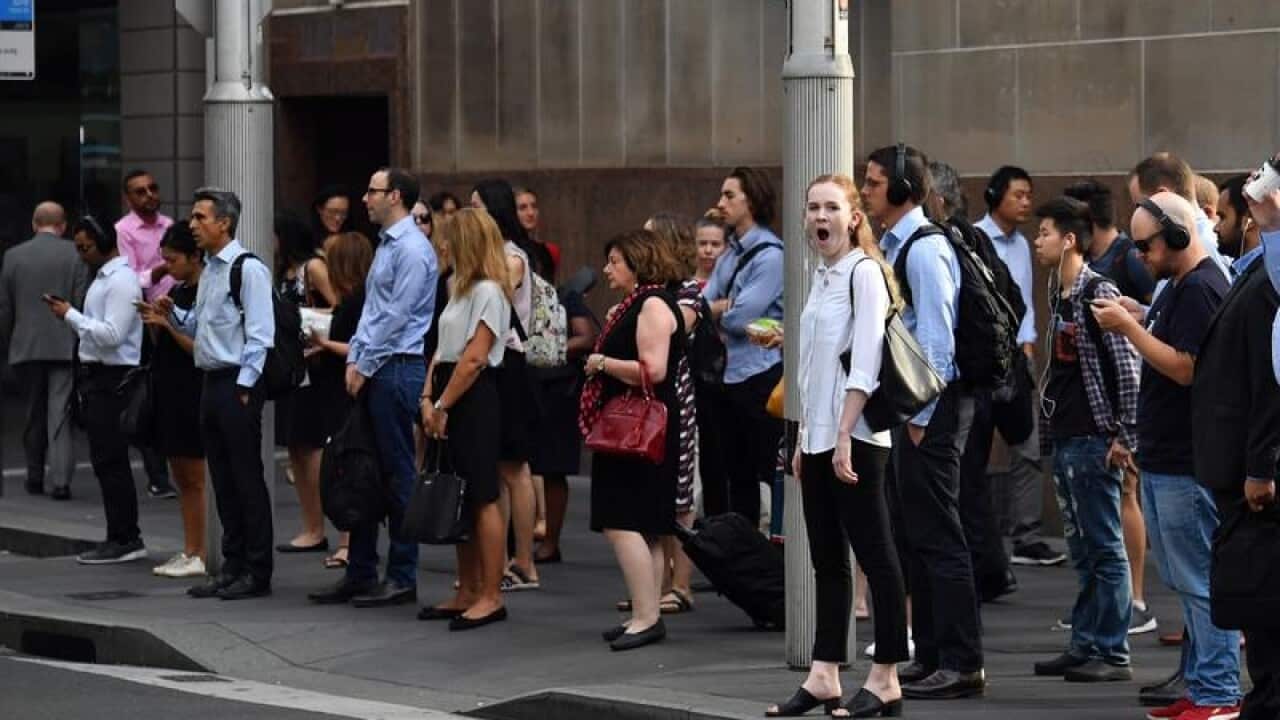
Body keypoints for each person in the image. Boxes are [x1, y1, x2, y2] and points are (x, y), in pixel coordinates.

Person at [1092, 192, 1241, 719]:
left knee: (1199, 580)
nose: (1141, 256)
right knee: (1185, 579)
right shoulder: (1179, 286)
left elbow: (1187, 367)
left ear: (1177, 236)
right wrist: (1140, 314)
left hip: (1186, 461)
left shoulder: (1200, 286)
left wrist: (1129, 328)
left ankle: (1219, 692)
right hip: (1166, 457)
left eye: (1146, 245)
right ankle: (1204, 686)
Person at [766, 174, 909, 719]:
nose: (819, 217)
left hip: (860, 438)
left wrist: (845, 434)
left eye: (831, 207)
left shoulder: (865, 274)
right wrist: (807, 438)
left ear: (853, 217)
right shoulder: (821, 275)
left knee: (876, 555)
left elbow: (866, 364)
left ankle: (886, 677)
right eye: (812, 208)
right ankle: (824, 674)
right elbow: (812, 369)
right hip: (820, 437)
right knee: (826, 559)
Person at [861, 144, 983, 699]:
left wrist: (920, 416)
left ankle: (962, 661)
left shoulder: (925, 249)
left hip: (930, 409)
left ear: (904, 190)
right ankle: (931, 652)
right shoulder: (901, 243)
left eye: (874, 182)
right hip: (917, 410)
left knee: (940, 536)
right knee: (917, 535)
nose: (865, 191)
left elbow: (937, 337)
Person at [309, 168, 436, 608]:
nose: (365, 198)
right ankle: (361, 570)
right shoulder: (389, 244)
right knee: (362, 468)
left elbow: (398, 316)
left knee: (397, 474)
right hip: (377, 365)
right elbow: (373, 312)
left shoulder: (414, 251)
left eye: (373, 191)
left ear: (395, 196)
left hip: (396, 369)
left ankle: (402, 575)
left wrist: (365, 361)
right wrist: (358, 357)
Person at [1029, 196, 1140, 683]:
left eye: (1046, 232)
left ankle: (1112, 652)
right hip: (1069, 436)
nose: (1038, 241)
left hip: (1096, 437)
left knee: (1104, 546)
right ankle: (1087, 642)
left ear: (1070, 239)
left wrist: (1124, 435)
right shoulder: (1061, 292)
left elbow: (1128, 368)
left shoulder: (1099, 292)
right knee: (1082, 548)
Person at [1192, 178, 1280, 720]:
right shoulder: (1256, 270)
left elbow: (1272, 383)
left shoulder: (1271, 281)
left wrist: (1261, 466)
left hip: (1253, 470)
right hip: (1235, 463)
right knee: (1254, 593)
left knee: (1263, 592)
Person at [165, 186, 276, 601]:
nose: (193, 225)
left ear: (224, 223)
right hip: (210, 380)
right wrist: (174, 316)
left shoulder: (246, 269)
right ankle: (233, 564)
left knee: (247, 477)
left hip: (236, 382)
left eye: (200, 217)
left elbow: (260, 335)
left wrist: (246, 387)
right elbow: (203, 326)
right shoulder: (211, 268)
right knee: (224, 480)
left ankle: (257, 569)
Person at [580, 228, 686, 651]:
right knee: (646, 526)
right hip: (638, 428)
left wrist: (602, 362)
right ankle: (647, 613)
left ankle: (646, 617)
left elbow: (652, 370)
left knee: (623, 521)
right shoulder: (640, 303)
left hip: (639, 428)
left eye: (615, 262)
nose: (607, 269)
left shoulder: (653, 305)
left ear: (637, 264)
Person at [1064, 177, 1160, 638]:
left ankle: (1134, 601)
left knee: (1123, 500)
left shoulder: (1126, 260)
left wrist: (1128, 426)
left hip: (1127, 406)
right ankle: (1108, 611)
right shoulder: (1094, 264)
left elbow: (1143, 338)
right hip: (1106, 407)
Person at [418, 208, 513, 631]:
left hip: (472, 396)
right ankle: (467, 588)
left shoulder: (489, 291)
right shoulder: (457, 287)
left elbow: (475, 358)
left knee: (481, 494)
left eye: (449, 238)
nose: (442, 245)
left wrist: (441, 405)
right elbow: (441, 349)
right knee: (458, 492)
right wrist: (427, 397)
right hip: (448, 390)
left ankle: (491, 594)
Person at [969, 165, 1064, 581]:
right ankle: (981, 539)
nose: (1026, 202)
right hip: (981, 361)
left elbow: (1023, 299)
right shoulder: (972, 239)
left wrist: (1027, 346)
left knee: (1026, 447)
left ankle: (1026, 533)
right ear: (994, 196)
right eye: (1018, 195)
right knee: (973, 450)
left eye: (1029, 194)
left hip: (1018, 360)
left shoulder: (1025, 245)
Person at [45, 216, 145, 564]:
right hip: (98, 376)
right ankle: (118, 534)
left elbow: (113, 334)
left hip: (112, 377)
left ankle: (125, 536)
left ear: (104, 242)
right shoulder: (104, 278)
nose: (82, 255)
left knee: (111, 459)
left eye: (86, 247)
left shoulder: (120, 281)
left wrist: (70, 314)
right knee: (105, 460)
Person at [700, 167, 784, 528]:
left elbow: (738, 318)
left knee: (763, 470)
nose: (720, 203)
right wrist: (719, 308)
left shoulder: (771, 256)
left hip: (759, 374)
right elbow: (702, 303)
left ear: (751, 200)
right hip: (728, 374)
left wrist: (718, 309)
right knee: (737, 475)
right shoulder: (730, 253)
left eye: (729, 195)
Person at [471, 179, 541, 592]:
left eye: (478, 205)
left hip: (510, 363)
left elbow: (494, 302)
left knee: (514, 467)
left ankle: (525, 561)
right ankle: (499, 557)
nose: (471, 213)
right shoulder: (487, 255)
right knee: (496, 465)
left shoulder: (511, 258)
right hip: (492, 362)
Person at [0, 201, 86, 500]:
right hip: (63, 344)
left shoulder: (13, 257)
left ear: (34, 224)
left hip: (26, 346)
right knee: (59, 414)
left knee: (32, 412)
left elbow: (5, 307)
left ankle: (34, 475)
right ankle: (61, 481)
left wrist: (8, 340)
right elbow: (79, 301)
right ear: (63, 226)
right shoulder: (75, 254)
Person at [138, 223, 208, 578]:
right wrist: (156, 319)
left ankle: (200, 550)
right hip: (170, 388)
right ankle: (191, 547)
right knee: (181, 474)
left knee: (195, 476)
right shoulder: (179, 290)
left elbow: (203, 349)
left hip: (193, 389)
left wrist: (168, 326)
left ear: (195, 257)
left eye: (174, 259)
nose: (169, 266)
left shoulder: (207, 291)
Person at [642, 212, 699, 614]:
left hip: (678, 399)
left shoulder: (687, 293)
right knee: (654, 492)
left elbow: (675, 329)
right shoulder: (651, 294)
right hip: (651, 401)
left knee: (680, 494)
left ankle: (681, 584)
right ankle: (654, 584)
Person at [305, 231, 373, 571]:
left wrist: (324, 344)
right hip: (339, 383)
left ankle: (349, 543)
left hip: (345, 387)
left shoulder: (357, 301)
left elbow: (361, 346)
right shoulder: (359, 298)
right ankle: (352, 544)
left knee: (349, 466)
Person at [273, 209, 338, 554]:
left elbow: (340, 306)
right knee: (296, 447)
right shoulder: (283, 271)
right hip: (292, 364)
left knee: (311, 445)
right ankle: (310, 523)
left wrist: (304, 317)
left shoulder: (313, 267)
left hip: (314, 364)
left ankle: (320, 525)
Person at [114, 168, 177, 499]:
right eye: (140, 191)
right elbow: (131, 279)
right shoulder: (123, 231)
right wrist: (165, 267)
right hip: (147, 320)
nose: (150, 195)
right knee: (151, 394)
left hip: (179, 312)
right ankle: (158, 474)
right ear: (129, 198)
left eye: (153, 188)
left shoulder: (171, 227)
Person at [1129, 153, 1231, 284]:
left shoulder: (1205, 244)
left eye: (1141, 205)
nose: (1137, 213)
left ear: (1163, 194)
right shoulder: (1190, 243)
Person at [1065, 179, 1156, 303]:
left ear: (1087, 220)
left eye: (1070, 221)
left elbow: (1158, 313)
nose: (1067, 231)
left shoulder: (1134, 257)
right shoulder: (1081, 258)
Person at [1216, 174, 1264, 276]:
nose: (1215, 228)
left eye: (1222, 217)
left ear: (1249, 220)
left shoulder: (1266, 276)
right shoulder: (1245, 270)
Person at [514, 187, 557, 282]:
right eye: (522, 208)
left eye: (534, 206)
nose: (531, 213)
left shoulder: (543, 251)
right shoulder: (508, 249)